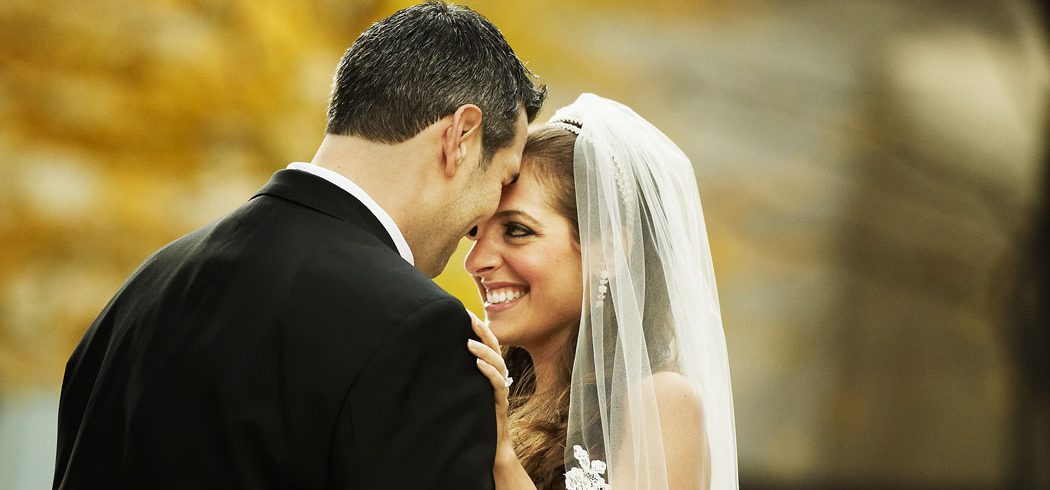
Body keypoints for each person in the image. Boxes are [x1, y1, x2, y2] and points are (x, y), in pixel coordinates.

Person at [53, 3, 545, 489]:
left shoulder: (140, 293)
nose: (483, 221)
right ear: (460, 135)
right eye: (503, 178)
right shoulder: (418, 331)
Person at [465, 93, 738, 489]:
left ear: (608, 251)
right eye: (475, 231)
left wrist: (502, 459)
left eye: (517, 231)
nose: (476, 261)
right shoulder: (494, 394)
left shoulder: (661, 404)